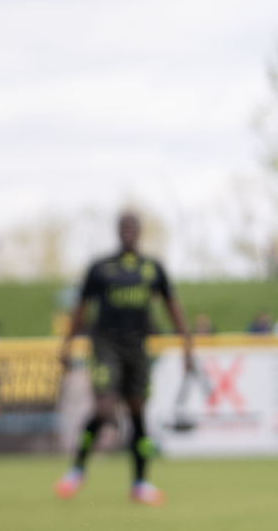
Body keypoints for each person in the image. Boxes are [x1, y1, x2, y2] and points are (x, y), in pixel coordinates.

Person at [54, 212, 192, 506]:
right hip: (105, 344)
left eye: (133, 227)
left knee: (137, 413)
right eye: (124, 227)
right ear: (118, 232)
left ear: (140, 232)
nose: (129, 232)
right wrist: (66, 346)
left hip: (138, 347)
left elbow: (172, 305)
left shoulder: (152, 268)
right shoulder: (101, 269)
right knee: (104, 407)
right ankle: (76, 471)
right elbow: (80, 308)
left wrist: (187, 344)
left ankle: (140, 483)